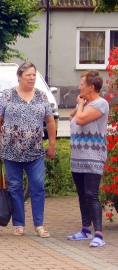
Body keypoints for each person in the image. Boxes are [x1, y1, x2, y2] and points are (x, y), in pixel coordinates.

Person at [0, 61, 56, 237]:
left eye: (34, 75)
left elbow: (50, 121)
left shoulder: (42, 96)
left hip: (35, 151)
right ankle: (19, 224)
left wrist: (52, 144)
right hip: (11, 151)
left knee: (38, 186)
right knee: (15, 187)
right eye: (28, 75)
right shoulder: (7, 96)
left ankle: (39, 225)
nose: (32, 78)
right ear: (19, 76)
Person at [67, 70, 109, 247]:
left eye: (82, 84)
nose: (79, 87)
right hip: (78, 156)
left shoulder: (101, 104)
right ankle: (85, 229)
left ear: (91, 87)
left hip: (93, 157)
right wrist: (80, 105)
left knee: (91, 194)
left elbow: (80, 119)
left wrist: (80, 105)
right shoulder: (84, 103)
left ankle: (98, 234)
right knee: (82, 195)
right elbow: (72, 116)